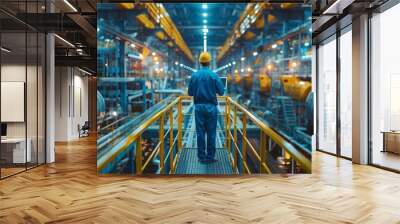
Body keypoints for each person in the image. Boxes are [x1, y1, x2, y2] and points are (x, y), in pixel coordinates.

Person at [188, 52, 225, 164]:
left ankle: (201, 157)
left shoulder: (194, 75)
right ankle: (210, 157)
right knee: (211, 133)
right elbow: (221, 92)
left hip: (199, 107)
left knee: (200, 133)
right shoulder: (214, 76)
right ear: (209, 62)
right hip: (211, 108)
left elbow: (190, 93)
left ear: (200, 62)